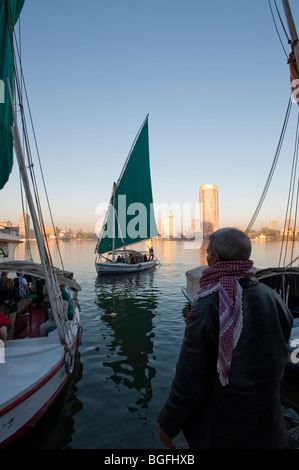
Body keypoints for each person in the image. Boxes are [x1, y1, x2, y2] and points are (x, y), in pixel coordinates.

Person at [157, 227, 293, 449]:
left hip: (225, 433)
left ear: (215, 259)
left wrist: (168, 424)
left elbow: (190, 376)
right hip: (270, 427)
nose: (206, 256)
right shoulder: (273, 298)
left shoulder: (207, 306)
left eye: (208, 252)